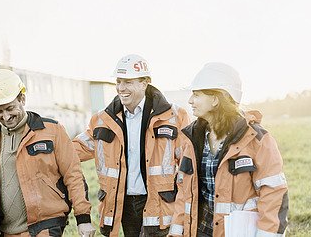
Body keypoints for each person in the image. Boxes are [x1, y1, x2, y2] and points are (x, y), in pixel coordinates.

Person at [0, 69, 96, 237]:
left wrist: (83, 219)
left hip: (46, 226)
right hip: (7, 231)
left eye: (10, 108)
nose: (6, 116)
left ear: (22, 99)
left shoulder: (53, 131)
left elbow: (73, 175)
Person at [72, 54, 190, 236]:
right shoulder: (103, 120)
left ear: (145, 83)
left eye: (127, 82)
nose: (121, 88)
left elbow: (188, 167)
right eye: (119, 81)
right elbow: (73, 150)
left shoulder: (174, 117)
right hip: (122, 203)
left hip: (159, 203)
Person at [169, 62, 289, 237]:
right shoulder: (192, 138)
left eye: (196, 94)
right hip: (198, 231)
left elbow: (273, 195)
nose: (190, 101)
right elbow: (185, 192)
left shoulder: (258, 140)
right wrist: (177, 230)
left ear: (216, 99)